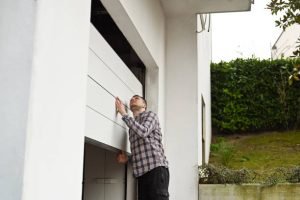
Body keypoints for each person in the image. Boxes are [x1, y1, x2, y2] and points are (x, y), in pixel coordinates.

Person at [115, 95, 169, 200]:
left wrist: (123, 113)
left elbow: (143, 131)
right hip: (141, 174)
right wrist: (128, 159)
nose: (132, 99)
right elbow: (140, 153)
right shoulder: (132, 127)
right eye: (131, 99)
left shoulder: (150, 115)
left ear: (144, 105)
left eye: (136, 98)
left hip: (156, 170)